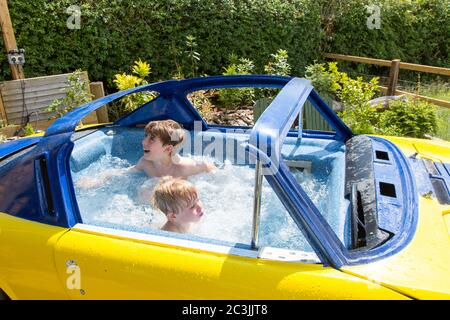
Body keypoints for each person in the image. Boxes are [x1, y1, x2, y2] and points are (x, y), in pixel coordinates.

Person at [76, 119, 215, 189]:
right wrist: (96, 181)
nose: (143, 142)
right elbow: (123, 172)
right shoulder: (146, 163)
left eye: (151, 139)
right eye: (145, 136)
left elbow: (208, 167)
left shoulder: (185, 167)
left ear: (167, 149)